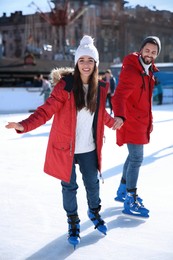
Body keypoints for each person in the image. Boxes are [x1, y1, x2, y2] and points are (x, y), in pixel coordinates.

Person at [5, 35, 119, 247]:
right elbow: (46, 111)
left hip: (89, 148)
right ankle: (73, 222)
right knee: (70, 187)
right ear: (77, 62)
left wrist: (113, 123)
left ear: (96, 64)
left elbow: (100, 113)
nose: (86, 64)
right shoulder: (65, 86)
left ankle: (94, 212)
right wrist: (24, 125)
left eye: (90, 60)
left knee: (93, 184)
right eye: (82, 60)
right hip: (65, 147)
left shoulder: (101, 88)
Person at [111, 36, 161, 218]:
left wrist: (150, 121)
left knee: (133, 157)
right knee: (137, 159)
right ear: (141, 50)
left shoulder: (148, 72)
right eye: (147, 50)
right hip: (130, 121)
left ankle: (122, 191)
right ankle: (130, 198)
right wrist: (119, 115)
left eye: (154, 52)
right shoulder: (132, 70)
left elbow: (146, 102)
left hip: (141, 121)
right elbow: (118, 97)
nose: (150, 54)